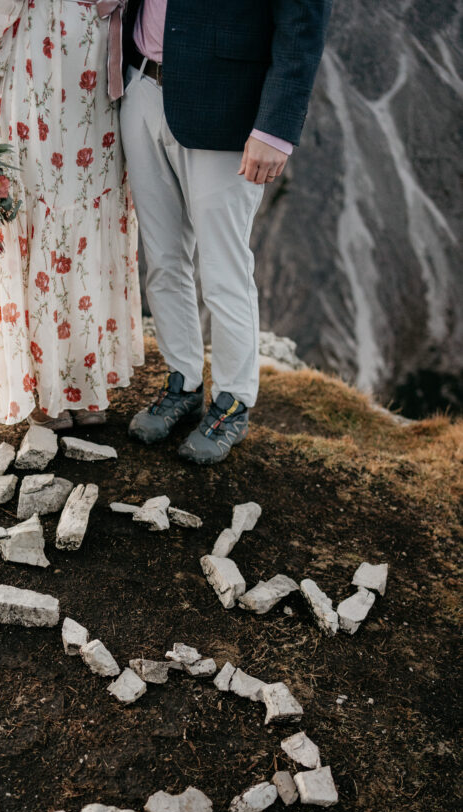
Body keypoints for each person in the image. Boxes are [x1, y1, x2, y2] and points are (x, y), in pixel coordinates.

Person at [121, 0, 333, 464]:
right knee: (162, 259)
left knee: (223, 269)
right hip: (140, 87)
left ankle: (233, 404)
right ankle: (183, 384)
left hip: (226, 109)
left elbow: (302, 26)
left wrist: (275, 130)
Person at [0, 0, 143, 430]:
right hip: (45, 81)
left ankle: (79, 381)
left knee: (79, 224)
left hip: (90, 88)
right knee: (53, 221)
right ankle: (56, 387)